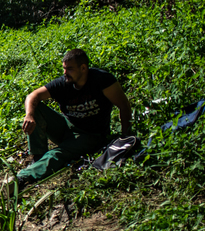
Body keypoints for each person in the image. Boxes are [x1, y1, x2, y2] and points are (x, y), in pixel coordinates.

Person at [10, 49, 132, 192]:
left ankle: (21, 178)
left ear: (83, 68)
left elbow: (124, 105)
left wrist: (125, 136)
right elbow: (33, 96)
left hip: (91, 135)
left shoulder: (102, 80)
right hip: (68, 128)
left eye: (70, 69)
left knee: (57, 154)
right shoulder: (64, 83)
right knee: (36, 108)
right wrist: (29, 115)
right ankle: (38, 157)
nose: (65, 72)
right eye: (64, 68)